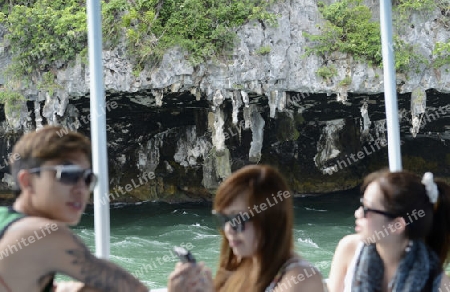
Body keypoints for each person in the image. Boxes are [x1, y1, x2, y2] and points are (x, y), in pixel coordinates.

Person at [0, 125, 150, 292]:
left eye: (88, 179)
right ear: (28, 181)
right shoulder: (45, 233)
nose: (81, 189)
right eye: (68, 174)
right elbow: (135, 289)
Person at [168, 164, 325, 292]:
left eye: (238, 219)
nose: (228, 229)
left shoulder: (301, 278)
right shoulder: (239, 267)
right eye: (223, 219)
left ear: (270, 220)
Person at [327, 169, 450, 292]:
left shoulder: (438, 282)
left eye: (367, 209)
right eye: (361, 204)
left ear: (397, 225)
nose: (357, 213)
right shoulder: (349, 249)